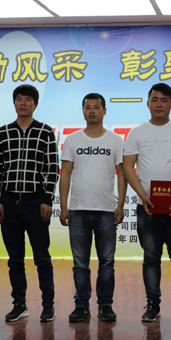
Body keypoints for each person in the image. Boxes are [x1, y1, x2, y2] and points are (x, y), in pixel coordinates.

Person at [122, 82, 171, 322]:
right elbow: (127, 166)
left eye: (164, 100)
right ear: (147, 103)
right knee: (151, 257)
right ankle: (152, 304)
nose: (159, 104)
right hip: (147, 207)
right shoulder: (137, 132)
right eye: (154, 99)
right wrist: (142, 196)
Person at [0, 84, 59, 322]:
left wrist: (48, 199)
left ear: (35, 104)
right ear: (14, 103)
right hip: (8, 204)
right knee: (15, 259)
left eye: (28, 99)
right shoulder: (2, 133)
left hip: (36, 204)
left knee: (42, 258)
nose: (23, 103)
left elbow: (53, 168)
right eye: (19, 99)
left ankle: (48, 305)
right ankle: (19, 304)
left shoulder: (45, 132)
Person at [59, 93, 126, 323]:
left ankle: (105, 305)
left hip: (106, 210)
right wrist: (64, 207)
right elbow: (65, 174)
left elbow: (122, 174)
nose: (91, 111)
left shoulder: (115, 140)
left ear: (104, 111)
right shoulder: (72, 140)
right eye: (87, 107)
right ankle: (81, 305)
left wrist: (120, 204)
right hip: (78, 210)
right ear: (83, 111)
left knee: (107, 262)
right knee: (80, 264)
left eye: (96, 107)